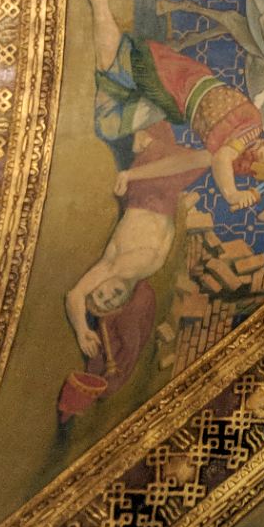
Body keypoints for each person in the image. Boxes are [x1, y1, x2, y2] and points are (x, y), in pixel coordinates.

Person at [81, 0, 264, 211]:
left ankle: (128, 100)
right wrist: (232, 194)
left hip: (174, 106)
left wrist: (130, 175)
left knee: (108, 124)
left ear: (259, 170)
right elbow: (223, 157)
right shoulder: (251, 128)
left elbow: (183, 162)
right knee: (113, 62)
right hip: (182, 81)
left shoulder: (227, 159)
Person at [59, 123, 202, 421]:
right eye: (111, 302)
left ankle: (142, 141)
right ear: (122, 303)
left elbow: (75, 294)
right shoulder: (138, 273)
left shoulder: (113, 265)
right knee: (199, 154)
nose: (109, 295)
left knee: (198, 155)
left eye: (101, 294)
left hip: (146, 191)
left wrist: (83, 329)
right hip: (163, 193)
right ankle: (145, 137)